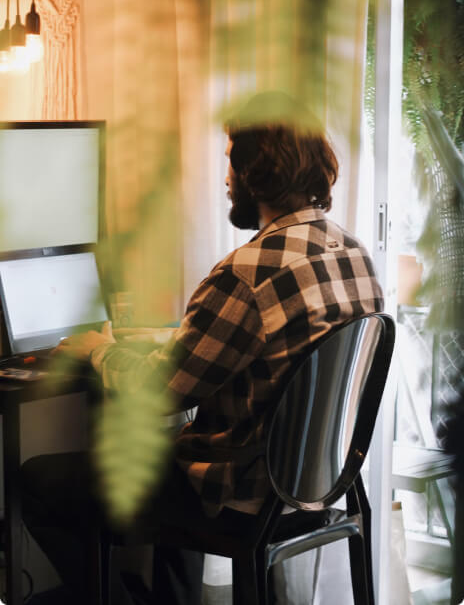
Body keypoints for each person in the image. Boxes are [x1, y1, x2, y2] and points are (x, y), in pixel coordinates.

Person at [21, 92, 383, 604]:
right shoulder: (353, 254)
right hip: (319, 488)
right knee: (181, 452)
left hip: (243, 497)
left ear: (254, 171)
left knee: (40, 479)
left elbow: (163, 391)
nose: (226, 179)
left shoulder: (247, 271)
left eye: (231, 161)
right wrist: (176, 340)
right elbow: (274, 347)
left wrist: (98, 351)